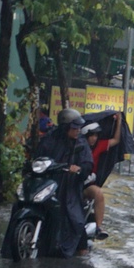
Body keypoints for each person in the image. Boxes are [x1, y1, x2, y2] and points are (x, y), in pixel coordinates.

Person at [31, 107, 102, 250]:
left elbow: (87, 163)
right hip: (48, 183)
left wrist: (79, 169)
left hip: (69, 188)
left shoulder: (80, 143)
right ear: (65, 127)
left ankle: (81, 253)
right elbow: (38, 156)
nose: (77, 130)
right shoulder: (49, 138)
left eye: (78, 127)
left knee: (75, 222)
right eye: (74, 127)